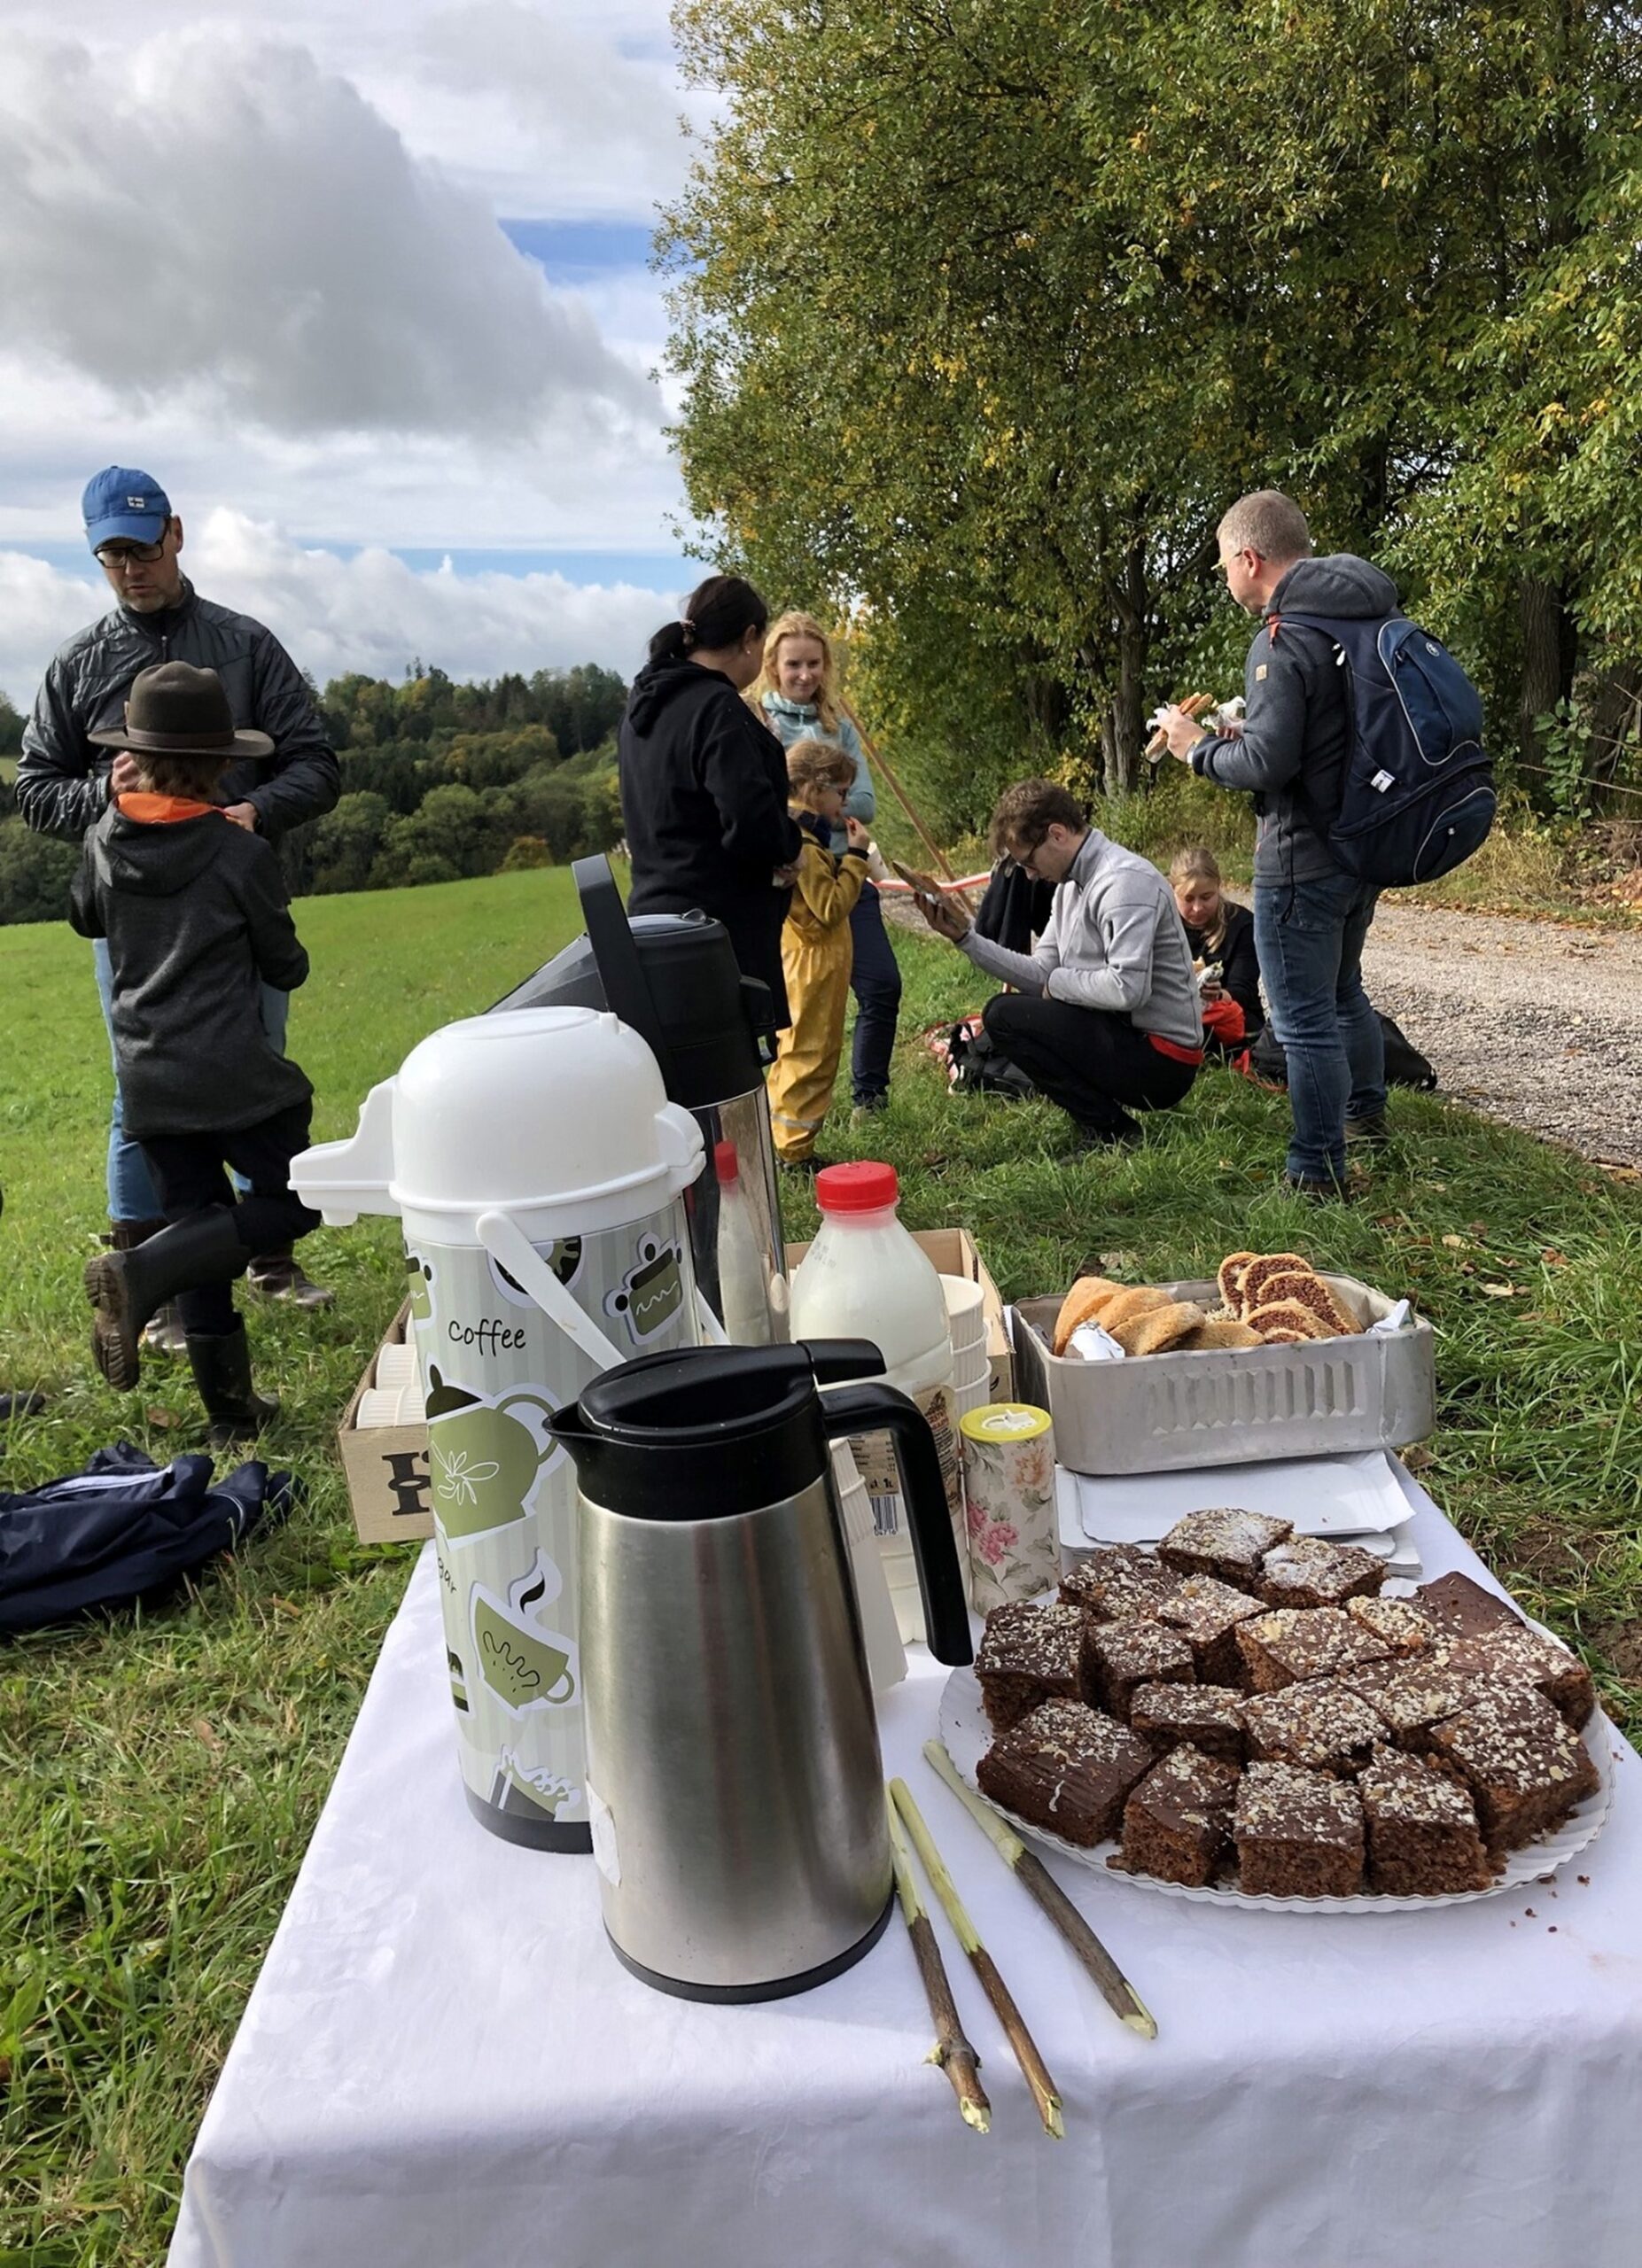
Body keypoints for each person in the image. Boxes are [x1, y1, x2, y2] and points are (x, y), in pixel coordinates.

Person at [19, 467, 339, 1338]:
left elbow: (315, 763)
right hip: (132, 915)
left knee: (254, 1070)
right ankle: (149, 1287)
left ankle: (270, 1261)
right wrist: (105, 793)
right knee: (142, 1099)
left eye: (143, 548)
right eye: (112, 556)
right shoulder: (78, 663)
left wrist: (255, 811)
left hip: (235, 902)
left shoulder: (246, 643)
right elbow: (34, 790)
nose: (131, 570)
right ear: (97, 556)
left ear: (176, 534)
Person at [67, 662, 323, 1444]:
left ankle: (231, 1418)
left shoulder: (102, 839)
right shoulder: (238, 852)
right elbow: (286, 965)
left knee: (196, 1225)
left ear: (134, 758)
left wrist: (109, 818)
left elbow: (85, 918)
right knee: (303, 1199)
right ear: (221, 763)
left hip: (150, 1083)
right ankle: (146, 1269)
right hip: (237, 1077)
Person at [1156, 490, 1395, 1196]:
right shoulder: (1361, 616)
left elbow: (1266, 766)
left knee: (1301, 1018)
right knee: (1343, 989)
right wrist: (1244, 734)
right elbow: (1315, 739)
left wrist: (1195, 747)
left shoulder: (1282, 635)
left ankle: (1316, 1169)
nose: (1226, 578)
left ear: (1249, 558)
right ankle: (1365, 1115)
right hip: (1361, 844)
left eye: (1223, 565)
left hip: (1301, 857)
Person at [913, 780, 1202, 1150]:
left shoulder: (1123, 881)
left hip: (1165, 1061)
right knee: (1005, 1013)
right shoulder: (1069, 886)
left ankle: (1111, 1129)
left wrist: (1058, 983)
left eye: (1028, 862)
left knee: (1004, 1015)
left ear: (1057, 834)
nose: (1029, 875)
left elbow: (1128, 989)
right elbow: (1039, 974)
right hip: (1131, 1036)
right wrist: (965, 938)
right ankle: (1107, 1125)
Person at [619, 575, 803, 1021]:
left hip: (649, 928)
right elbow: (751, 823)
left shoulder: (642, 710)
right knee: (731, 1064)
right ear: (750, 638)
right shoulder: (718, 709)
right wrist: (790, 847)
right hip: (716, 940)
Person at [754, 613, 902, 1119]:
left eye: (814, 663)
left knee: (881, 984)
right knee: (798, 1008)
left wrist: (812, 798)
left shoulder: (839, 724)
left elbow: (865, 803)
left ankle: (869, 1097)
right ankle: (782, 1113)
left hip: (848, 869)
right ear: (773, 666)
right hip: (790, 881)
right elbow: (758, 803)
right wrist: (815, 800)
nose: (804, 674)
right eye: (793, 664)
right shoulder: (759, 722)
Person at [767, 741, 872, 1168]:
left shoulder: (796, 833)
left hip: (806, 960)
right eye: (840, 792)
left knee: (796, 1048)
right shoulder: (807, 846)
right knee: (811, 1052)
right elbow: (829, 907)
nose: (845, 802)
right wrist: (858, 858)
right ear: (814, 788)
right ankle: (794, 1150)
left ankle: (780, 1139)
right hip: (814, 964)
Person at [1169, 844, 1265, 1046]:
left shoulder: (1242, 923)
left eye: (1206, 897)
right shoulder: (1163, 925)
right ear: (1173, 891)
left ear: (1219, 886)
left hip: (1231, 1016)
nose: (1197, 908)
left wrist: (1219, 995)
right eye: (1188, 899)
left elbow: (1244, 990)